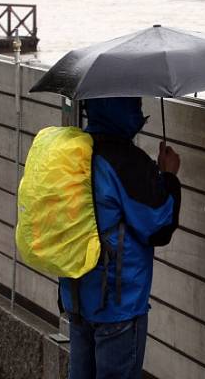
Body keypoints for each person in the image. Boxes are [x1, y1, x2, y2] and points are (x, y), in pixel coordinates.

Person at [59, 97, 182, 379]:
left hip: (76, 294)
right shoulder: (126, 162)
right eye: (135, 101)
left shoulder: (73, 152)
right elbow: (158, 227)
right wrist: (169, 177)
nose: (139, 108)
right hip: (117, 302)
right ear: (123, 108)